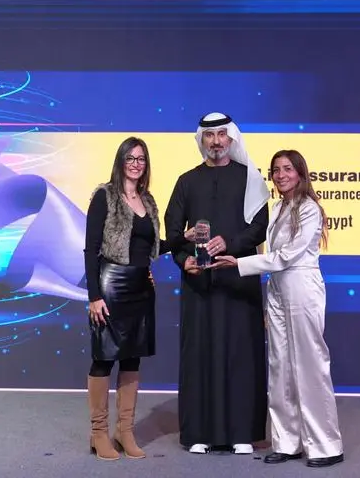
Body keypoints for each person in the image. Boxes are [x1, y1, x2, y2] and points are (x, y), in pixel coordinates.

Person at [210, 149, 344, 468]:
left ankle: (325, 445)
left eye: (287, 169)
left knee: (309, 365)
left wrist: (240, 262)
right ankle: (287, 442)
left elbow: (287, 256)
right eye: (276, 170)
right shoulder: (279, 207)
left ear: (300, 173)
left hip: (302, 287)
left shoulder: (309, 209)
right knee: (280, 366)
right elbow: (276, 257)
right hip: (278, 289)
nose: (281, 175)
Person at [163, 112, 270, 455]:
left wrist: (230, 244)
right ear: (202, 140)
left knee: (241, 354)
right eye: (209, 136)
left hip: (239, 283)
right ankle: (199, 432)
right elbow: (173, 231)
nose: (216, 142)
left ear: (231, 139)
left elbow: (259, 227)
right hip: (200, 286)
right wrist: (184, 260)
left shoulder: (250, 179)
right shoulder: (186, 182)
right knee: (200, 354)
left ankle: (242, 432)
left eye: (222, 135)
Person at [83, 136, 194, 461]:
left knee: (132, 358)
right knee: (104, 358)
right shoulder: (104, 196)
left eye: (141, 159)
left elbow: (151, 247)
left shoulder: (148, 200)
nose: (136, 164)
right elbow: (91, 249)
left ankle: (125, 430)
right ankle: (99, 433)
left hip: (141, 288)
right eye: (130, 158)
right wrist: (94, 296)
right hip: (111, 287)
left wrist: (182, 239)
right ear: (120, 161)